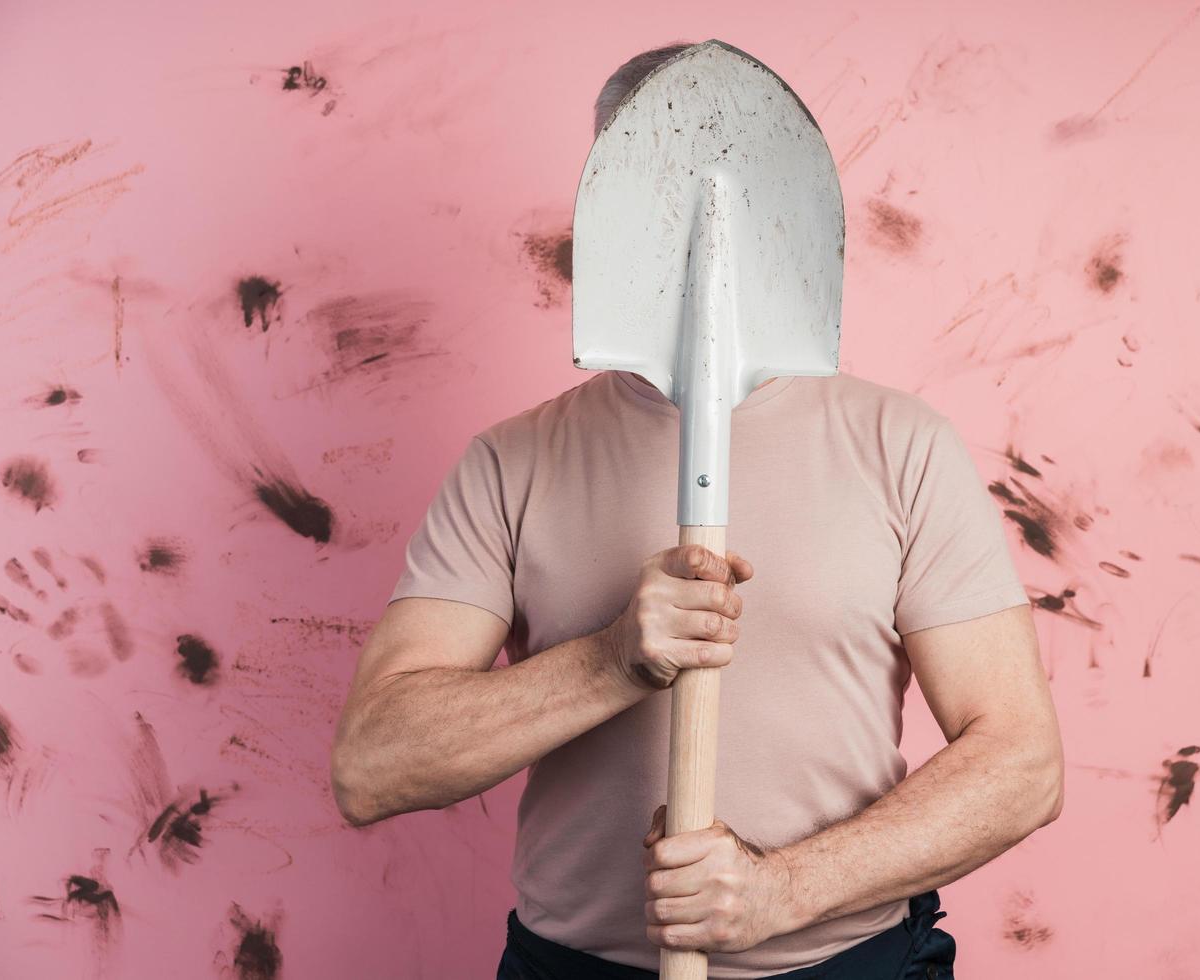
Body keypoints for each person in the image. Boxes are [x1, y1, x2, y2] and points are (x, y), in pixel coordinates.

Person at [330, 42, 1063, 980]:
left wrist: (779, 891)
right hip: (574, 969)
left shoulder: (901, 445)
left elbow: (1022, 763)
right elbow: (372, 765)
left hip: (853, 963)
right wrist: (612, 660)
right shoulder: (510, 464)